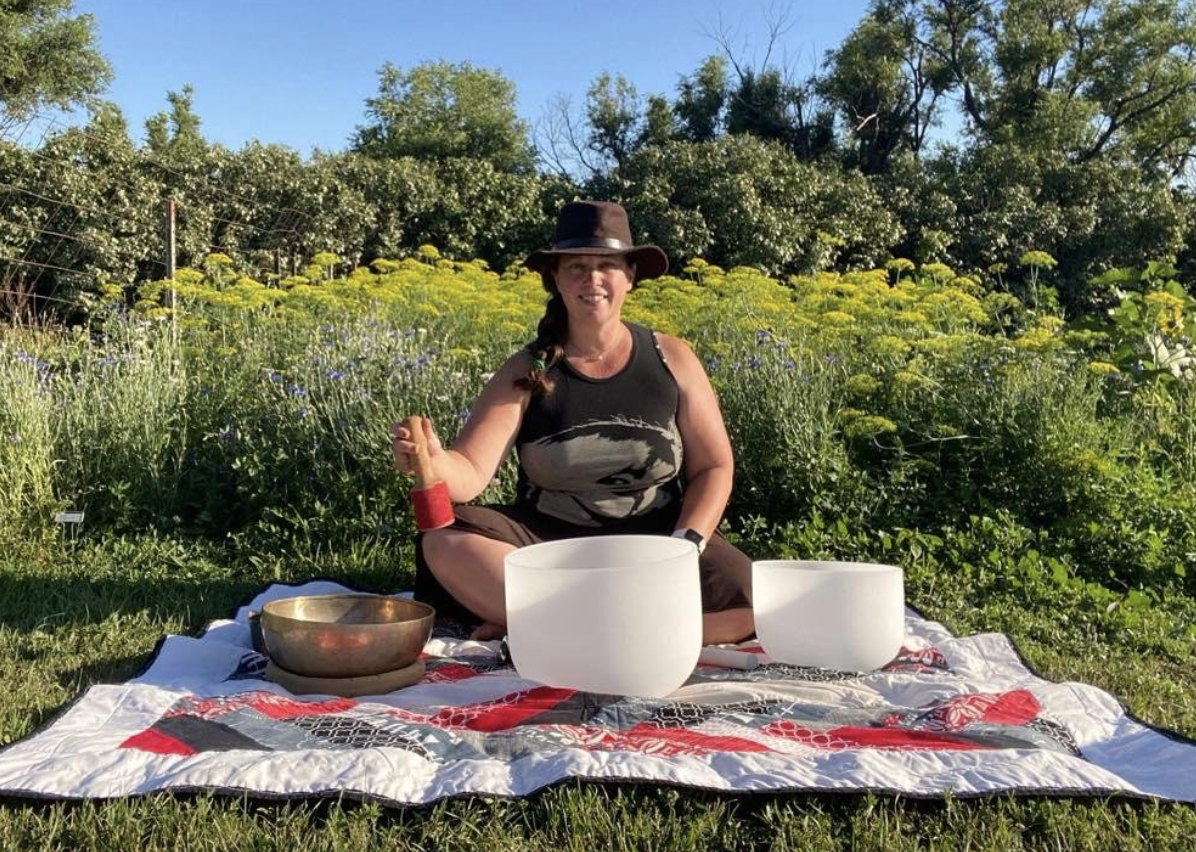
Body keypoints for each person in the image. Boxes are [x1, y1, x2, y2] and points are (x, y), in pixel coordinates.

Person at [392, 200, 753, 644]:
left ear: (630, 276)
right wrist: (432, 461)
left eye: (608, 265)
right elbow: (468, 474)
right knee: (444, 542)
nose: (592, 278)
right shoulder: (527, 369)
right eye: (577, 265)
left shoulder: (672, 357)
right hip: (549, 551)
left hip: (657, 541)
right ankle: (634, 632)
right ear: (556, 278)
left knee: (750, 597)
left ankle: (552, 623)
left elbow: (714, 467)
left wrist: (687, 544)